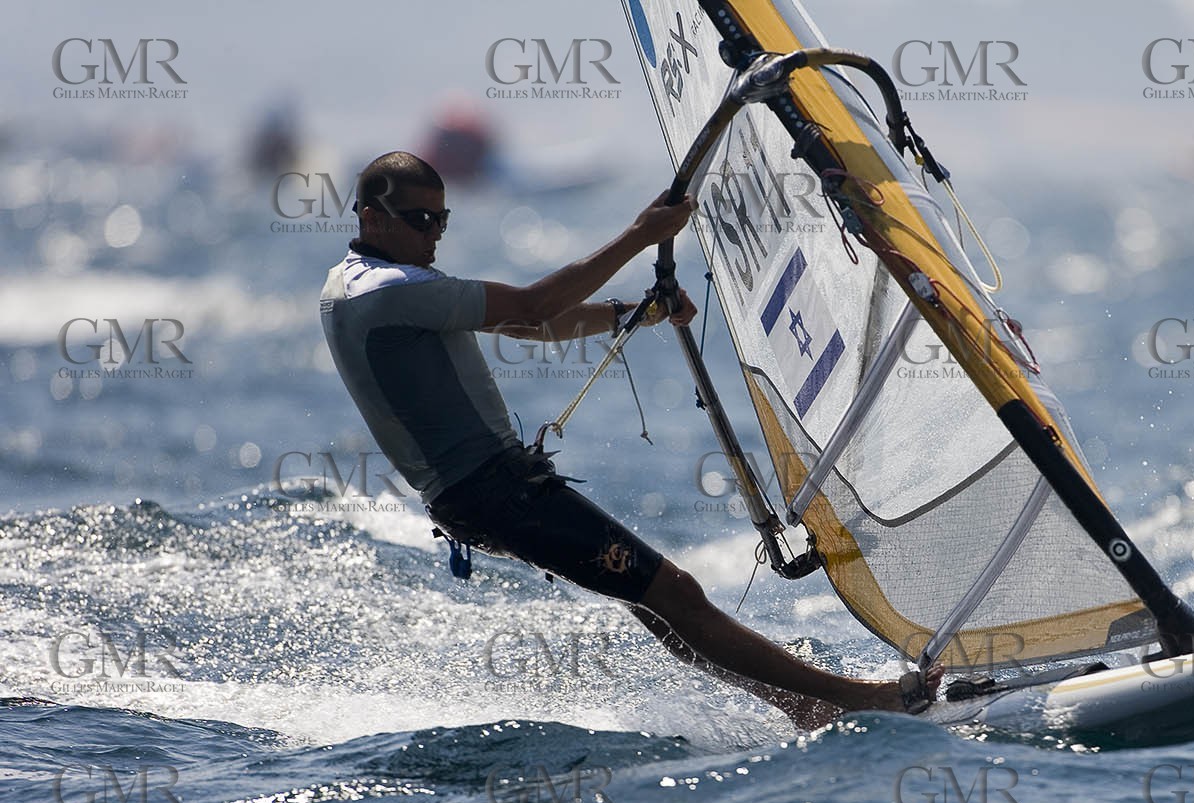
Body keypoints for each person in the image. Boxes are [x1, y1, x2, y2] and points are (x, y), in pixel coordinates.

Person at [319, 151, 941, 729]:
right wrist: (642, 234)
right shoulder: (392, 292)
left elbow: (524, 323)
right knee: (676, 593)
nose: (433, 234)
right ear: (372, 217)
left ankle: (801, 707)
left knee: (652, 599)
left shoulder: (352, 285)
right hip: (495, 493)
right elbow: (535, 305)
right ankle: (864, 698)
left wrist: (627, 313)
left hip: (472, 500)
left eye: (442, 220)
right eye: (420, 220)